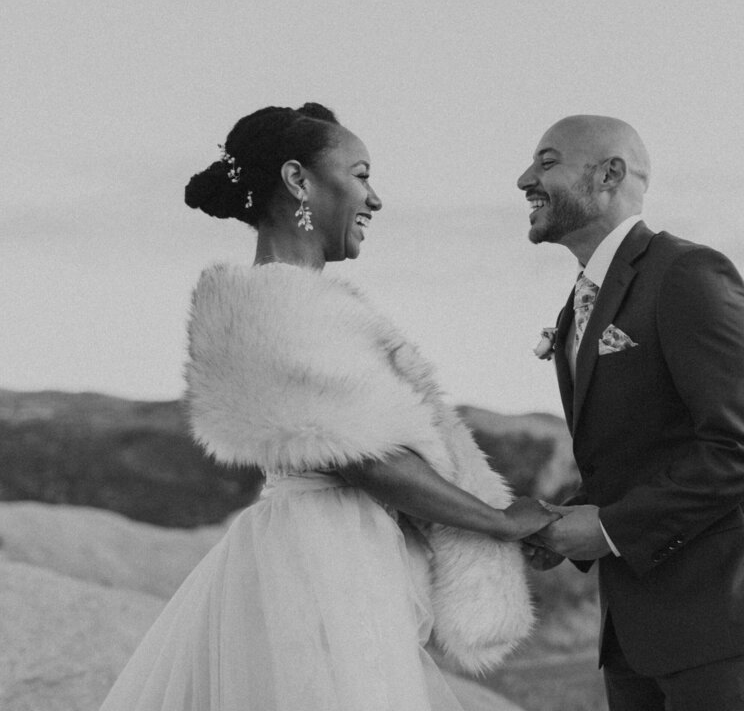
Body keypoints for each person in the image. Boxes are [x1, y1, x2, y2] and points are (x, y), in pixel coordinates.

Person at [100, 103, 556, 711]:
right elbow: (361, 456)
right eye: (362, 174)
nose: (374, 199)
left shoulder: (296, 302)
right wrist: (498, 521)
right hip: (326, 553)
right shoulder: (279, 306)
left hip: (321, 545)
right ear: (298, 181)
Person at [518, 115, 744, 710]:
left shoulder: (687, 274)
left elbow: (743, 448)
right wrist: (562, 523)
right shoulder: (578, 305)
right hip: (632, 631)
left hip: (720, 625)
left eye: (547, 162)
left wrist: (605, 530)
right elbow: (636, 458)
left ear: (609, 175)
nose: (526, 178)